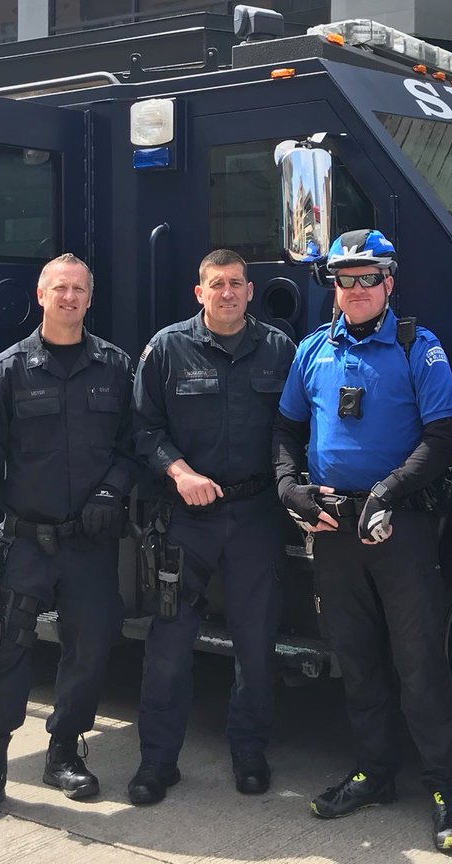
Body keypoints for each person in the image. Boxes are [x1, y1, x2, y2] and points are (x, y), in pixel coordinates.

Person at [272, 229, 452, 854]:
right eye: (344, 278)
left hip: (399, 527)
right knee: (354, 658)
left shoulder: (419, 347)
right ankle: (374, 772)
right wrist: (289, 487)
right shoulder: (312, 349)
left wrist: (388, 490)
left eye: (368, 277)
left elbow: (443, 438)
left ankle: (444, 790)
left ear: (389, 282)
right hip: (333, 528)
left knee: (419, 663)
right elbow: (285, 429)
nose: (355, 288)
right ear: (332, 285)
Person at [0, 253, 137, 825]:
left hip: (88, 543)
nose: (70, 297)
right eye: (60, 288)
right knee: (2, 649)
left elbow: (133, 446)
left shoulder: (115, 367)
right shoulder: (7, 372)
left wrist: (111, 490)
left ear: (90, 297)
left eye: (79, 289)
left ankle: (63, 753)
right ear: (41, 296)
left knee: (91, 647)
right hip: (25, 540)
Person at [129, 248, 295, 804]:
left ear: (250, 291)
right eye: (216, 284)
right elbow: (143, 428)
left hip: (255, 515)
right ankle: (157, 762)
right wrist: (180, 473)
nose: (227, 293)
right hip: (187, 518)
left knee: (256, 642)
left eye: (236, 284)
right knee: (169, 643)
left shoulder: (280, 348)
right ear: (199, 292)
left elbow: (294, 426)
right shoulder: (166, 348)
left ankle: (249, 754)